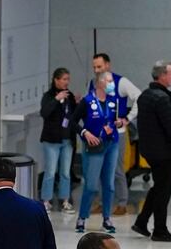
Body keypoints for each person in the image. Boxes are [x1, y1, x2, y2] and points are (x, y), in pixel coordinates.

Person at [130, 61, 171, 242]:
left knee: (159, 187)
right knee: (163, 191)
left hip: (148, 150)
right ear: (161, 76)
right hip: (162, 152)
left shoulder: (145, 96)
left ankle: (142, 222)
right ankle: (159, 229)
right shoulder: (162, 99)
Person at [91, 53, 141, 218]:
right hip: (98, 133)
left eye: (99, 66)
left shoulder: (121, 82)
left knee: (117, 169)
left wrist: (127, 118)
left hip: (116, 133)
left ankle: (122, 203)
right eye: (94, 67)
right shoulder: (93, 83)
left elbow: (139, 98)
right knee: (98, 168)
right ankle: (99, 202)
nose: (96, 70)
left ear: (107, 65)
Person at [74, 69, 122, 234]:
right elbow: (73, 122)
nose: (111, 85)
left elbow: (116, 119)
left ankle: (107, 217)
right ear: (100, 83)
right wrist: (85, 133)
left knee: (109, 184)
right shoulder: (87, 101)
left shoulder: (113, 101)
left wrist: (118, 124)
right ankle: (82, 217)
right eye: (109, 81)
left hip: (111, 144)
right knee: (91, 185)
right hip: (93, 146)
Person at [38, 67, 78, 213]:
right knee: (50, 171)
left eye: (68, 79)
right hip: (52, 140)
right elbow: (45, 113)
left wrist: (78, 103)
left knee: (66, 172)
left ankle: (65, 200)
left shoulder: (69, 96)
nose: (67, 82)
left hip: (67, 139)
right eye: (64, 79)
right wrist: (56, 99)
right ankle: (46, 200)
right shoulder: (48, 96)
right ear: (56, 80)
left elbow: (74, 115)